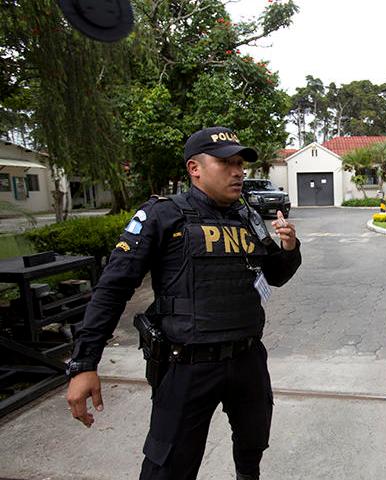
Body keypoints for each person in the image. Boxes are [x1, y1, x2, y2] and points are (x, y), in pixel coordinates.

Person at [65, 126, 302, 480]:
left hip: (247, 359)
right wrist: (84, 362)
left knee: (251, 451)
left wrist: (289, 248)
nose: (238, 171)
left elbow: (275, 275)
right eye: (226, 163)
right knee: (169, 467)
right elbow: (112, 289)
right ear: (195, 168)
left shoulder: (247, 218)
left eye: (240, 163)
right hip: (187, 365)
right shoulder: (162, 216)